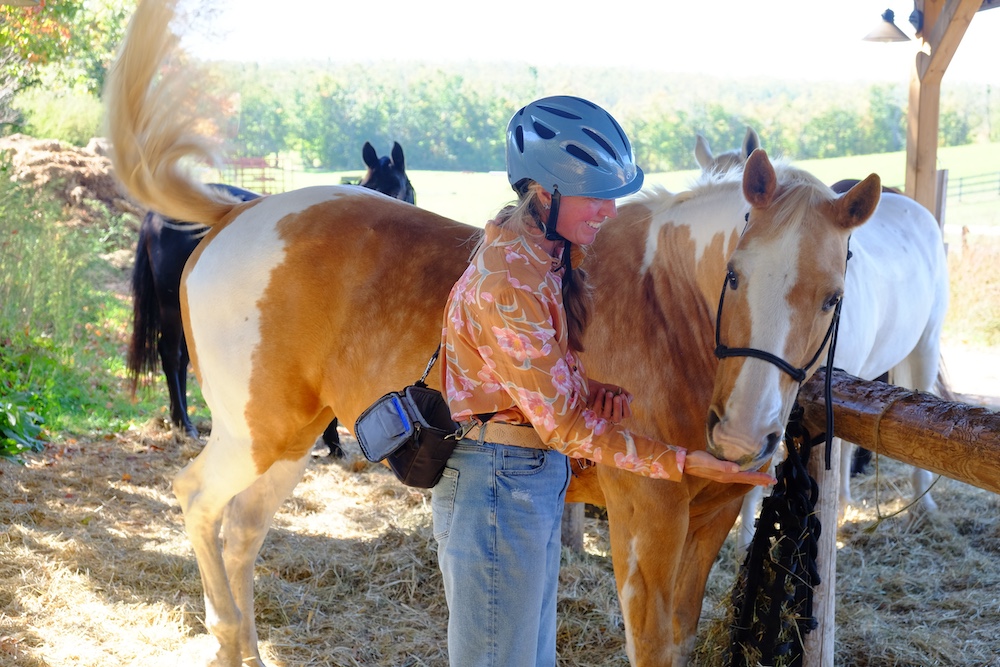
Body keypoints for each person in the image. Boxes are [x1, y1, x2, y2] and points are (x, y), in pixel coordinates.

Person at [432, 95, 774, 667]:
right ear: (545, 193)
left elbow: (524, 379)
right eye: (595, 195)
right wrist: (682, 462)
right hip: (497, 480)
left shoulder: (541, 258)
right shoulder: (513, 280)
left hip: (524, 473)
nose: (610, 212)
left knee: (526, 653)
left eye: (614, 194)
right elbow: (564, 427)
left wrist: (586, 391)